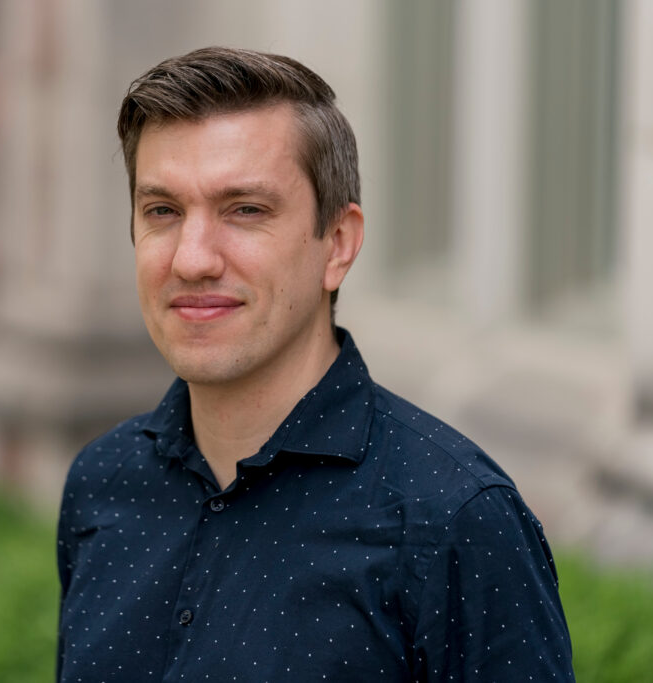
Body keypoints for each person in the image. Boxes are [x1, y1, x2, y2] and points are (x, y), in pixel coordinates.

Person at [56, 46, 574, 682]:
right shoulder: (102, 482)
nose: (192, 259)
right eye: (162, 211)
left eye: (245, 210)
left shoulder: (454, 517)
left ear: (338, 244)